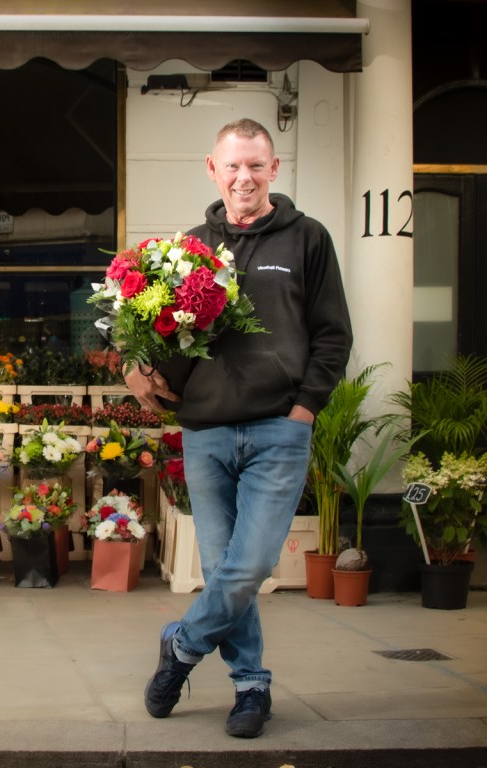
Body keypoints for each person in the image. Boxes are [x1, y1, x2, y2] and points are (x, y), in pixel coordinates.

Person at [125, 118, 352, 738]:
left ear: (274, 169)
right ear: (212, 169)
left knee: (249, 566)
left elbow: (333, 333)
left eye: (256, 165)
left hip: (280, 427)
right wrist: (136, 368)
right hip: (205, 431)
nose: (244, 177)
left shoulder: (307, 239)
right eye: (233, 166)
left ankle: (181, 648)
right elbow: (157, 335)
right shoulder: (187, 248)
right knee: (224, 565)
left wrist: (305, 406)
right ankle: (250, 687)